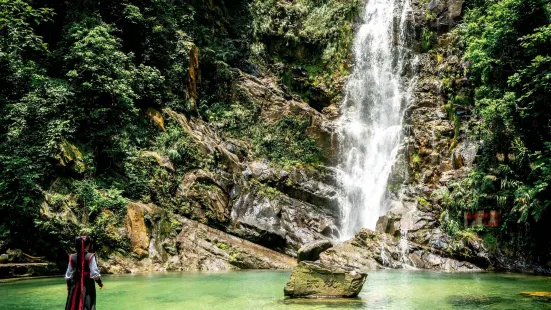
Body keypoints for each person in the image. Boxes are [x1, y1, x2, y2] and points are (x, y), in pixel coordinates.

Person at [65, 236, 104, 310]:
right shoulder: (90, 256)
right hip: (87, 284)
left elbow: (68, 274)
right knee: (87, 302)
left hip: (75, 284)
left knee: (74, 303)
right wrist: (99, 282)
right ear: (88, 245)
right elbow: (94, 273)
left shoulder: (72, 257)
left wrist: (69, 286)